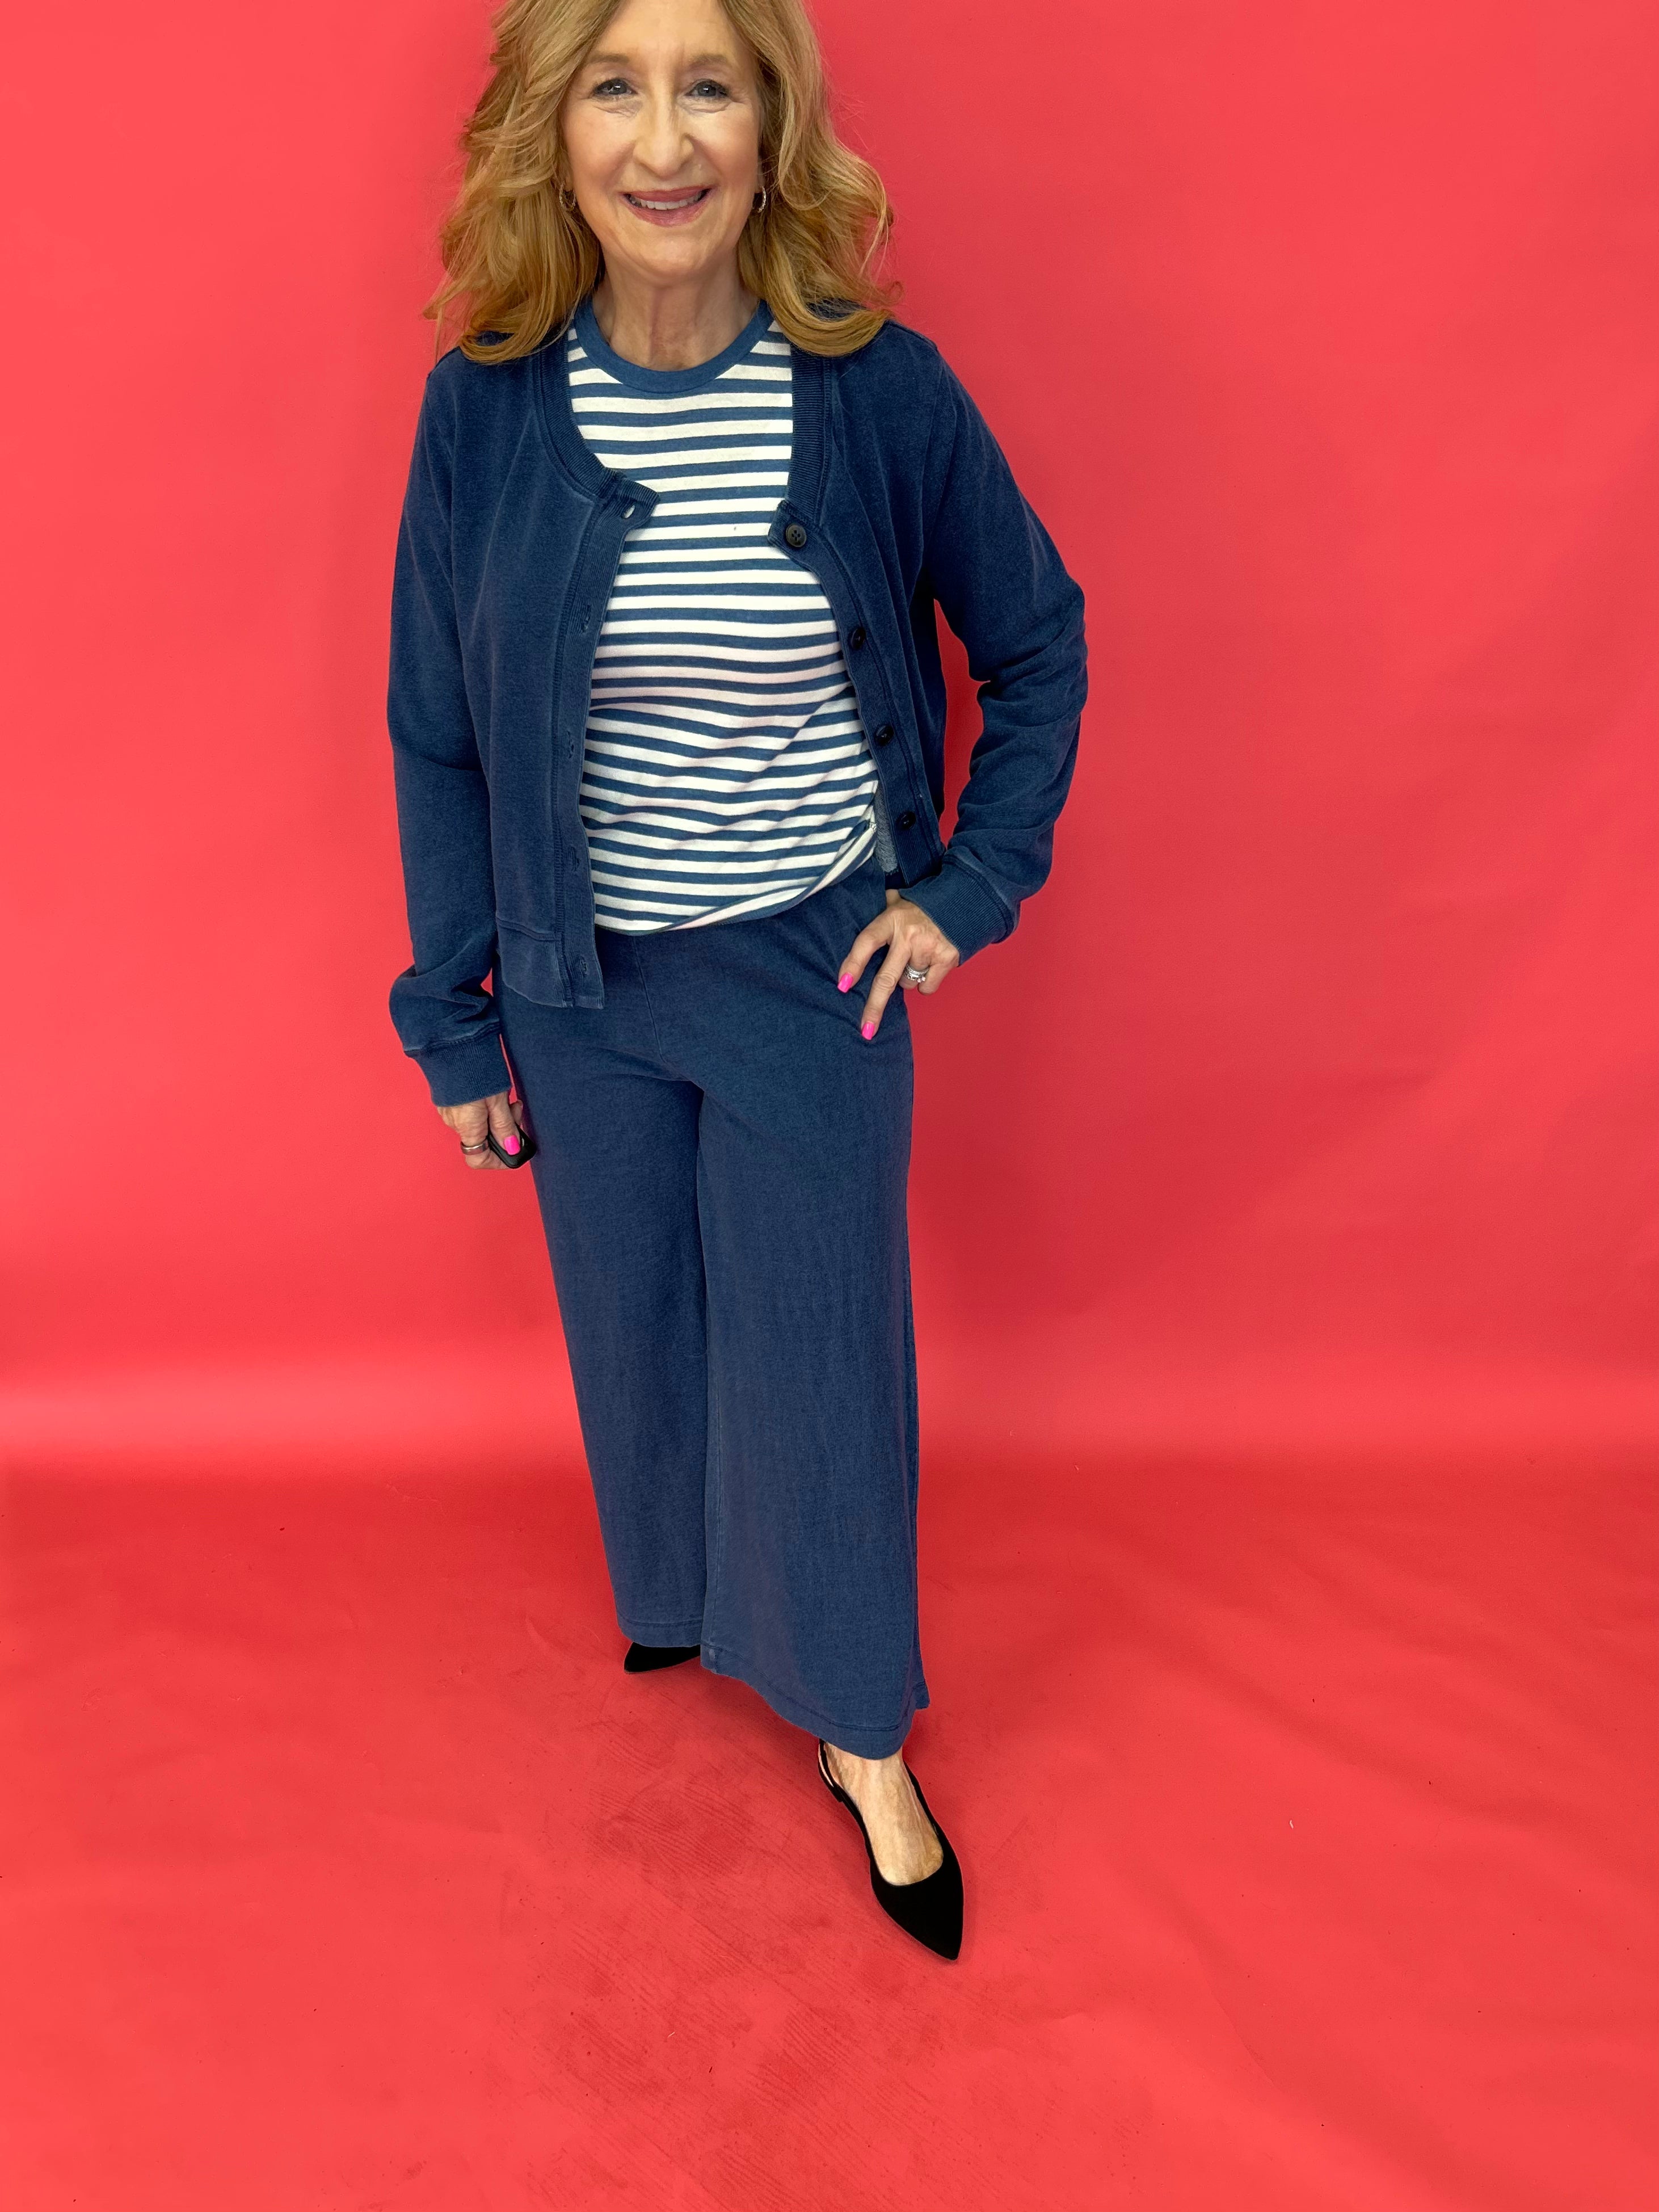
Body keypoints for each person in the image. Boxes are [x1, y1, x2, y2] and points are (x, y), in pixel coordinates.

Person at [386, 0, 1085, 1961]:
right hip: (576, 978)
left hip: (806, 970)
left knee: (823, 1353)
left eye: (710, 84)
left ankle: (861, 1731)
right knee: (632, 1318)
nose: (663, 137)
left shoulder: (877, 394)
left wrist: (965, 888)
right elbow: (438, 733)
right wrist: (457, 1015)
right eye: (614, 88)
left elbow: (1035, 640)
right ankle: (685, 1598)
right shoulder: (485, 409)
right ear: (554, 135)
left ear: (773, 127)